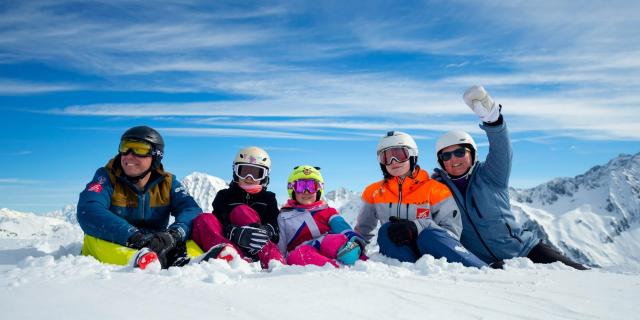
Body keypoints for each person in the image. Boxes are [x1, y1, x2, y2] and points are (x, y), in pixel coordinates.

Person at [432, 85, 588, 270]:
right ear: (441, 162)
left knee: (579, 275)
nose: (453, 159)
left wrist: (492, 120)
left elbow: (501, 148)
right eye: (446, 156)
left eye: (459, 152)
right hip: (487, 265)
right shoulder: (437, 189)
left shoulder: (491, 175)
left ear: (472, 153)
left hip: (526, 251)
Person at [77, 126, 221, 270]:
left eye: (139, 149)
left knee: (188, 235)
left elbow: (191, 209)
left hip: (154, 243)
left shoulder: (167, 183)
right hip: (117, 240)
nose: (128, 155)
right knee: (94, 239)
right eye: (125, 147)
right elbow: (88, 209)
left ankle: (193, 261)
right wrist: (132, 236)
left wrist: (174, 234)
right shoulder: (107, 177)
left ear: (156, 156)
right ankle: (139, 260)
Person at [355, 131, 487, 268]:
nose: (393, 162)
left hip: (433, 252)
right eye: (386, 157)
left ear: (412, 155)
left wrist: (417, 227)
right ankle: (410, 277)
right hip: (401, 254)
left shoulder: (435, 189)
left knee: (428, 236)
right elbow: (362, 230)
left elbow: (451, 234)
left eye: (400, 155)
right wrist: (355, 243)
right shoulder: (374, 191)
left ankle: (481, 269)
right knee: (386, 231)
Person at [191, 146, 285, 269]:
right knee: (203, 219)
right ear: (236, 172)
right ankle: (231, 256)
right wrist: (234, 233)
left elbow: (274, 226)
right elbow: (219, 222)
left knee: (241, 211)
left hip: (258, 250)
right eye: (244, 171)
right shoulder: (224, 196)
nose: (249, 178)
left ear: (265, 175)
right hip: (231, 244)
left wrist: (266, 230)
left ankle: (274, 261)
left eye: (256, 173)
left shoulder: (268, 199)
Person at [277, 165, 366, 267]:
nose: (306, 191)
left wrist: (353, 238)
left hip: (329, 246)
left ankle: (361, 262)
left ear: (319, 189)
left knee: (335, 241)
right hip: (302, 254)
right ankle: (334, 269)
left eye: (311, 186)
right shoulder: (284, 217)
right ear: (292, 189)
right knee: (297, 256)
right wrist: (279, 262)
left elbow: (340, 226)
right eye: (301, 186)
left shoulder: (327, 211)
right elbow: (281, 246)